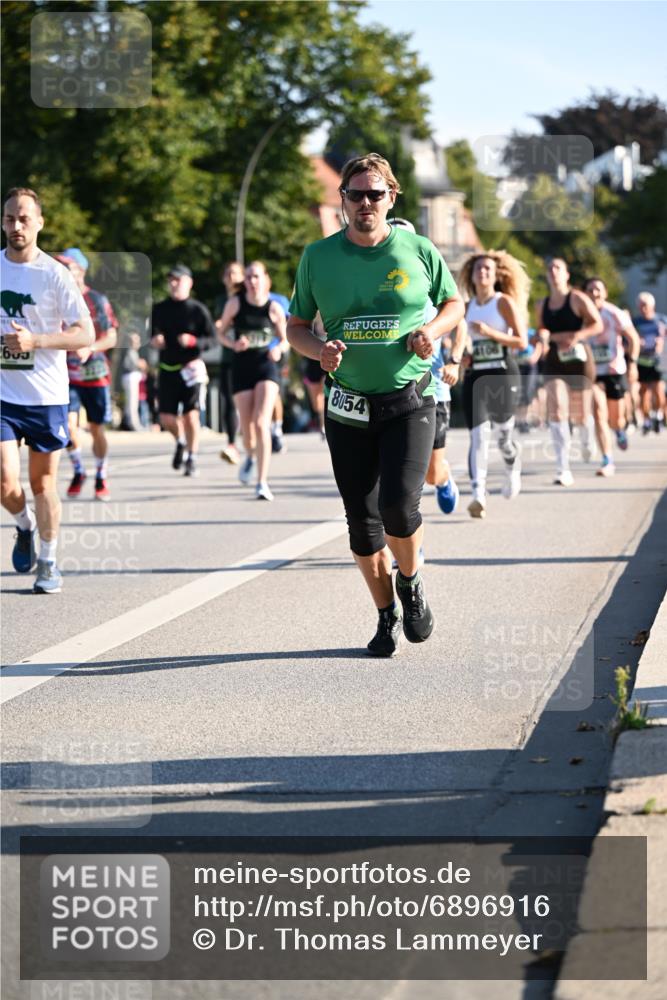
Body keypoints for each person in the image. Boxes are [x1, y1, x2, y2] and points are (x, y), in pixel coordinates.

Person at [286, 153, 464, 657]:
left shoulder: (418, 248)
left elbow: (454, 305)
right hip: (346, 405)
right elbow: (296, 325)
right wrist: (318, 350)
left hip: (409, 398)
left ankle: (411, 582)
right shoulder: (318, 257)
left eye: (375, 194)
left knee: (398, 508)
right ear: (341, 199)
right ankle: (385, 614)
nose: (365, 203)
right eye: (355, 194)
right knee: (362, 526)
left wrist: (430, 331)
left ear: (392, 197)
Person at [1, 187, 93, 593]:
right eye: (9, 219)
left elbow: (84, 333)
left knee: (41, 486)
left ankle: (49, 561)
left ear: (39, 222)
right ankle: (24, 526)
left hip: (46, 397)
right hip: (4, 394)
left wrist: (35, 341)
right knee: (5, 483)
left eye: (24, 219)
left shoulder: (54, 274)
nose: (16, 226)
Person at [459, 250, 530, 518]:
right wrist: (464, 357)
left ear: (496, 274)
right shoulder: (466, 307)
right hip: (476, 375)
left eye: (488, 269)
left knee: (502, 435)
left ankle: (512, 464)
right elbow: (462, 343)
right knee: (478, 435)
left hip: (502, 373)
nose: (483, 273)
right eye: (479, 269)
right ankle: (478, 494)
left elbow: (522, 341)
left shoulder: (503, 303)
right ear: (472, 275)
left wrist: (491, 334)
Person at [216, 261, 288, 500]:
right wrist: (233, 344)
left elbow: (287, 337)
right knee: (247, 429)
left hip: (266, 366)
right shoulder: (235, 304)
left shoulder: (274, 307)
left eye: (256, 276)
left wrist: (279, 348)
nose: (252, 281)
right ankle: (249, 455)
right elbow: (220, 332)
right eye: (248, 277)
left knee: (260, 422)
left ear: (266, 279)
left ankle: (262, 482)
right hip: (242, 367)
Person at [54, 248, 118, 501]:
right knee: (68, 427)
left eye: (67, 267)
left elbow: (111, 336)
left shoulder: (97, 300)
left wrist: (89, 347)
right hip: (66, 374)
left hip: (94, 373)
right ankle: (79, 470)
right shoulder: (53, 300)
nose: (63, 272)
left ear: (80, 271)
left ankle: (101, 475)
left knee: (96, 428)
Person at [536, 258, 603, 486]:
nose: (553, 271)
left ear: (566, 275)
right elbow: (541, 330)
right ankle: (562, 468)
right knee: (557, 411)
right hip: (555, 360)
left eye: (558, 268)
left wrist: (577, 336)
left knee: (581, 415)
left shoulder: (577, 298)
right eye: (550, 268)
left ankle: (587, 435)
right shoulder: (541, 304)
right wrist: (544, 337)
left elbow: (597, 324)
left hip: (579, 360)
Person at [150, 264, 215, 477]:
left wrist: (193, 341)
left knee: (191, 416)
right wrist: (155, 340)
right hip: (167, 368)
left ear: (189, 282)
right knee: (167, 418)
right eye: (171, 280)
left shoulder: (198, 310)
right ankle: (180, 442)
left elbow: (212, 339)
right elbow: (152, 335)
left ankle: (192, 458)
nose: (174, 283)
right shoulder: (159, 309)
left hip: (191, 368)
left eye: (178, 279)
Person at [585, 277, 640, 475]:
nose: (594, 294)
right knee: (599, 413)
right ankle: (607, 460)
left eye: (598, 290)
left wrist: (632, 363)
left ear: (605, 293)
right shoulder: (581, 316)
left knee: (615, 419)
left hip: (614, 371)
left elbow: (633, 338)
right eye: (590, 290)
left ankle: (619, 430)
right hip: (592, 373)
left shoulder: (614, 313)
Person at [215, 261, 244, 464]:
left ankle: (264, 434)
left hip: (249, 357)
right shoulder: (220, 300)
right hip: (228, 355)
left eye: (234, 273)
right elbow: (218, 325)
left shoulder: (247, 298)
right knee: (228, 399)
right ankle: (232, 443)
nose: (231, 276)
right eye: (227, 273)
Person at [632, 292, 666, 434]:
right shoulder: (636, 322)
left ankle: (658, 415)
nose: (642, 308)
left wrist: (661, 341)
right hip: (642, 360)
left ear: (652, 305)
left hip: (657, 361)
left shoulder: (662, 320)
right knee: (643, 392)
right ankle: (646, 419)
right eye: (640, 306)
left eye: (645, 305)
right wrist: (637, 342)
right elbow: (629, 338)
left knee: (658, 390)